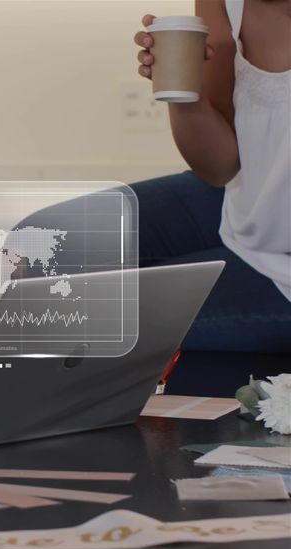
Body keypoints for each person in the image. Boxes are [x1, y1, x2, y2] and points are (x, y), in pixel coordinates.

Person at [130, 0, 290, 351]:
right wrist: (186, 92)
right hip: (250, 205)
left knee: (97, 311)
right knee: (51, 244)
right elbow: (219, 168)